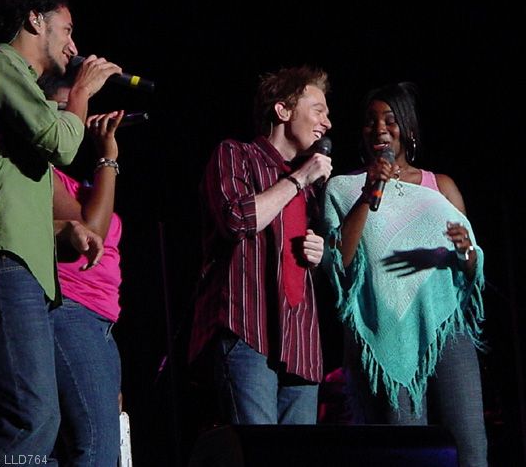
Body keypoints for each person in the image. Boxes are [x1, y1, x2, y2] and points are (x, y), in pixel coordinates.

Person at [0, 0, 121, 460]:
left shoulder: (23, 102)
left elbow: (16, 194)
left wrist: (70, 231)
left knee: (38, 423)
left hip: (22, 265)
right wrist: (82, 91)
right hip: (2, 261)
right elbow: (62, 143)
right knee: (30, 418)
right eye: (66, 30)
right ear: (34, 20)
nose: (75, 46)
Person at [320, 82, 487, 466]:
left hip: (447, 329)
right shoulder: (343, 189)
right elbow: (339, 261)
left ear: (407, 130)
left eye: (390, 120)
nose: (379, 129)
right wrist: (369, 192)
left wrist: (465, 252)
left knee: (470, 443)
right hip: (389, 327)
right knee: (410, 448)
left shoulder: (439, 186)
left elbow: (472, 271)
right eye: (370, 122)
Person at [188, 66, 333, 425]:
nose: (327, 122)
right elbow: (237, 219)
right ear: (283, 111)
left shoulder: (312, 186)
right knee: (259, 453)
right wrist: (299, 179)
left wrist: (319, 251)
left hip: (300, 343)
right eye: (318, 109)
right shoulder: (235, 155)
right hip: (248, 329)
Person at [42, 74, 125, 465]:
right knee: (96, 448)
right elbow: (94, 229)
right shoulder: (42, 173)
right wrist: (108, 155)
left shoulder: (79, 185)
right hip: (71, 310)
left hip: (99, 321)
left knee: (80, 446)